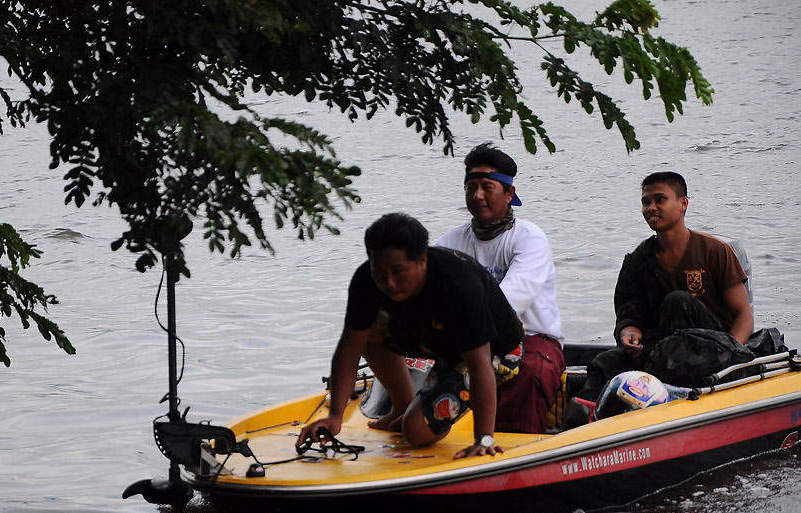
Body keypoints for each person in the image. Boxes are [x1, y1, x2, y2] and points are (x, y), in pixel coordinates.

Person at [295, 212, 526, 459]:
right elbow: (349, 348)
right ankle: (402, 407)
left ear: (422, 261)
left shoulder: (458, 285)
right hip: (436, 337)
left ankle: (417, 416)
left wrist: (484, 438)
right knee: (367, 330)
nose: (389, 283)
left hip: (496, 350)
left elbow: (480, 367)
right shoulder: (366, 280)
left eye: (398, 271)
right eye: (379, 272)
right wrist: (334, 417)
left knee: (414, 432)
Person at [577, 171, 753, 403]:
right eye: (645, 202)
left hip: (712, 350)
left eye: (660, 199)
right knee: (605, 363)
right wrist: (630, 334)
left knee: (677, 302)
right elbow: (630, 315)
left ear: (683, 204)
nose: (651, 207)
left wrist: (730, 356)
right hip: (659, 350)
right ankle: (582, 421)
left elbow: (743, 316)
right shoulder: (638, 260)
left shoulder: (715, 251)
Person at [436, 143, 565, 433]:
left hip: (532, 340)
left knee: (528, 373)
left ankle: (512, 448)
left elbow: (505, 306)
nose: (477, 195)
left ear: (509, 193)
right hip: (468, 339)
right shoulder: (449, 242)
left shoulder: (530, 239)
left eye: (487, 187)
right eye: (471, 187)